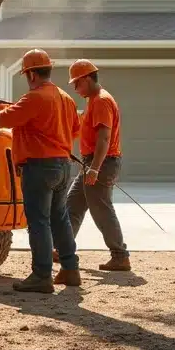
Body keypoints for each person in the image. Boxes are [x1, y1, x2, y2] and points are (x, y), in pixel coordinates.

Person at [0, 49, 81, 293]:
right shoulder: (65, 98)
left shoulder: (34, 98)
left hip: (39, 167)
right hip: (63, 166)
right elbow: (75, 130)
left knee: (39, 222)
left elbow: (5, 119)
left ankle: (42, 275)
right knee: (59, 218)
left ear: (31, 74)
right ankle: (71, 269)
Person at [53, 59, 131, 271]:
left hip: (102, 164)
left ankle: (120, 255)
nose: (75, 89)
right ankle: (63, 249)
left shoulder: (101, 101)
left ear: (87, 79)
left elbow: (104, 138)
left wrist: (95, 168)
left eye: (76, 84)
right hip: (92, 163)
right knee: (73, 206)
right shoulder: (94, 101)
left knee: (102, 210)